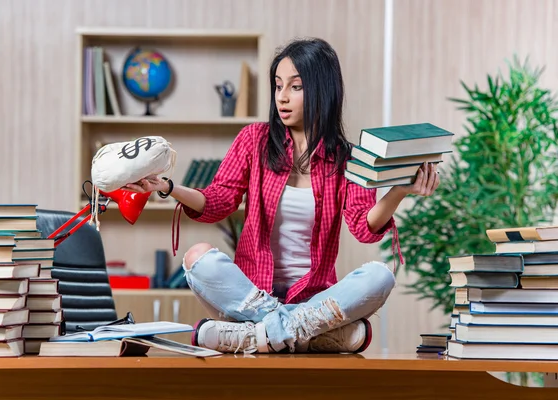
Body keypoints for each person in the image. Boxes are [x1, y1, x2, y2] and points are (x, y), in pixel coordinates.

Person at [124, 37, 440, 354]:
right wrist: (167, 187)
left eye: (295, 87)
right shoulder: (254, 140)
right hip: (253, 293)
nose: (282, 98)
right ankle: (307, 334)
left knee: (379, 275)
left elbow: (363, 226)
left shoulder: (347, 158)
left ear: (321, 90)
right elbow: (218, 200)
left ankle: (253, 336)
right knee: (197, 257)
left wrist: (399, 191)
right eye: (278, 86)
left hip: (314, 297)